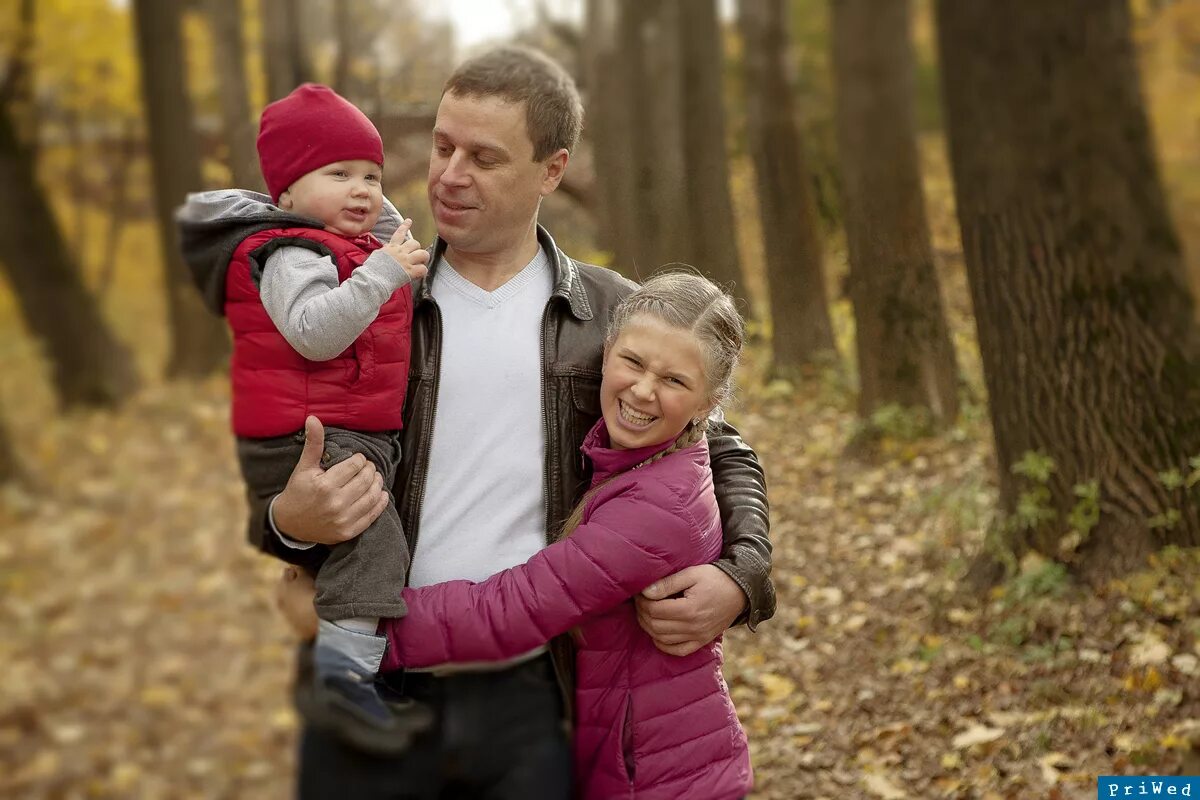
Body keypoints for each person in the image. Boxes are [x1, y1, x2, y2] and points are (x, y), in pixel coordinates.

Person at [211, 46, 774, 799]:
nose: (448, 174)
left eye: (483, 157)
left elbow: (719, 444)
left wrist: (741, 578)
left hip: (533, 695)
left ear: (551, 169)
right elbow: (278, 441)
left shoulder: (612, 314)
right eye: (443, 146)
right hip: (368, 675)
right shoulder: (356, 299)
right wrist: (287, 522)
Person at [381, 270, 754, 799]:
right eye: (633, 362)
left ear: (707, 404)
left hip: (659, 778)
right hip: (641, 755)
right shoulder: (633, 456)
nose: (644, 390)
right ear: (606, 351)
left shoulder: (658, 508)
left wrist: (367, 626)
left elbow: (515, 605)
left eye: (675, 381)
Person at [176, 83, 432, 753]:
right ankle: (344, 689)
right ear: (286, 193)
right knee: (375, 543)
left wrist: (376, 226)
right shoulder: (291, 254)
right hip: (306, 437)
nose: (363, 190)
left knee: (360, 547)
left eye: (373, 176)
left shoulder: (340, 243)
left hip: (340, 426)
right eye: (339, 174)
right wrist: (381, 275)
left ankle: (350, 669)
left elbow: (385, 229)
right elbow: (314, 334)